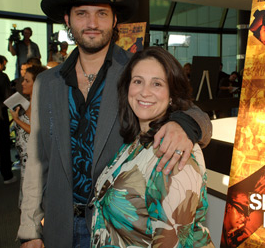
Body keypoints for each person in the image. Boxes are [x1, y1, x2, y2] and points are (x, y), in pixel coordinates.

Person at [17, 0, 212, 247]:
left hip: (113, 228)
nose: (92, 23)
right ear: (67, 19)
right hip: (57, 223)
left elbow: (195, 113)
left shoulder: (136, 70)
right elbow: (37, 161)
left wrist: (184, 125)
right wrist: (29, 229)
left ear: (115, 20)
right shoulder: (47, 83)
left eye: (102, 13)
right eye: (82, 13)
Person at [91, 46, 214, 247]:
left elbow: (172, 241)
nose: (144, 92)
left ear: (173, 94)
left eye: (157, 84)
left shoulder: (172, 152)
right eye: (138, 81)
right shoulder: (136, 141)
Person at [9, 66, 47, 208]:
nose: (22, 84)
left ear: (36, 84)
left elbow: (36, 131)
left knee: (33, 201)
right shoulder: (28, 103)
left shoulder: (40, 103)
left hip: (33, 159)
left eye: (26, 81)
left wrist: (17, 120)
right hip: (25, 160)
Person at [0, 55, 15, 184]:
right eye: (4, 64)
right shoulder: (2, 77)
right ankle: (7, 175)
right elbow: (9, 98)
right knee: (3, 145)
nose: (5, 66)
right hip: (0, 115)